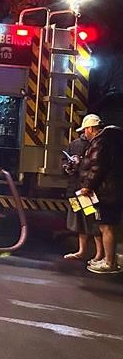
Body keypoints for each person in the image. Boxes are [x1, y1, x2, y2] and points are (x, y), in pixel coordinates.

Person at [77, 114, 123, 274]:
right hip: (112, 191)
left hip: (106, 192)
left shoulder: (100, 143)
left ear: (90, 128)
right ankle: (108, 259)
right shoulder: (111, 141)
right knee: (107, 226)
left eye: (85, 130)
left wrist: (87, 186)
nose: (84, 134)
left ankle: (109, 262)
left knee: (106, 226)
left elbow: (97, 167)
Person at [62, 129, 102, 261]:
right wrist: (69, 166)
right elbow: (65, 164)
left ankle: (98, 253)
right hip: (76, 190)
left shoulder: (96, 145)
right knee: (79, 220)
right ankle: (83, 251)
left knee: (92, 220)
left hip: (84, 190)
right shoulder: (76, 144)